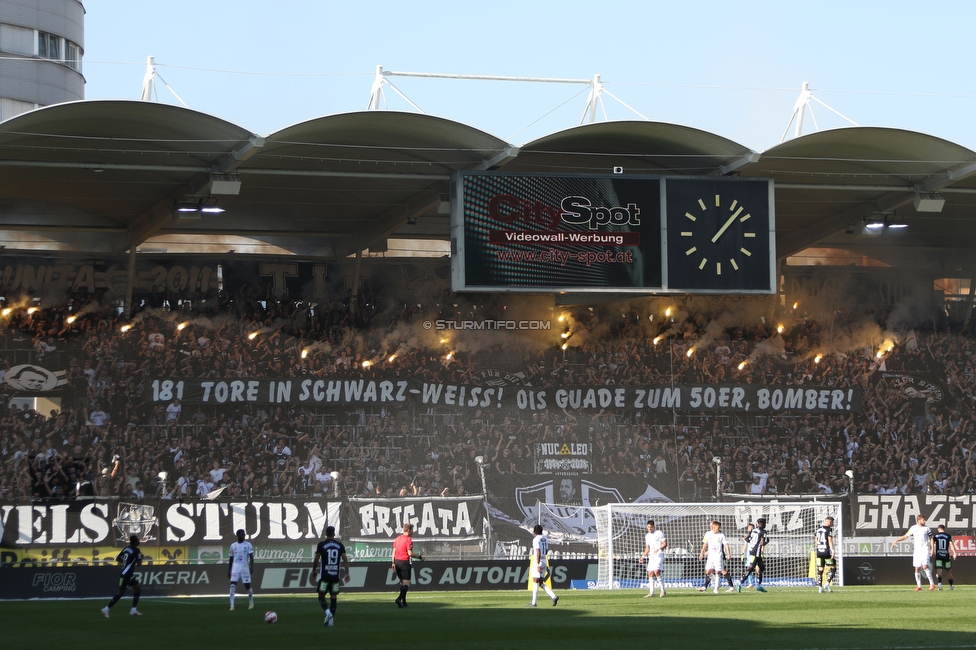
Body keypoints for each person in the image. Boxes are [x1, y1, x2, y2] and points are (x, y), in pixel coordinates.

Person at [313, 525, 350, 627]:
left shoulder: (321, 545)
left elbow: (316, 559)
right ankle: (331, 621)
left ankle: (328, 613)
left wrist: (314, 571)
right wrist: (347, 573)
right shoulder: (340, 545)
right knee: (333, 597)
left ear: (325, 534)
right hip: (335, 576)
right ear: (334, 534)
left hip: (324, 576)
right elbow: (345, 559)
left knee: (321, 596)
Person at [101, 535, 143, 618]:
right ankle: (106, 609)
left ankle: (133, 610)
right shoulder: (136, 550)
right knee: (120, 593)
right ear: (135, 542)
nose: (139, 541)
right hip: (126, 574)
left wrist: (125, 562)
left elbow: (118, 558)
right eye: (138, 540)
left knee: (138, 589)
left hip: (128, 573)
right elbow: (139, 564)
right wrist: (141, 558)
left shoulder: (126, 548)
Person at [891, 514, 935, 591]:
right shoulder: (913, 528)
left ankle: (932, 584)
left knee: (925, 566)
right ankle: (919, 586)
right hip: (917, 551)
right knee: (917, 568)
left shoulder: (927, 528)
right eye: (923, 520)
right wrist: (896, 540)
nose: (924, 521)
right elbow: (905, 536)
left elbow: (931, 538)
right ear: (919, 520)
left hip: (925, 549)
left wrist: (932, 549)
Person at [392, 523, 423, 608]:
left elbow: (394, 551)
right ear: (408, 530)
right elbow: (410, 553)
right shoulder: (408, 539)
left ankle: (404, 602)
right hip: (404, 562)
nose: (413, 532)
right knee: (407, 584)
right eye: (412, 530)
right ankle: (399, 599)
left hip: (397, 562)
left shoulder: (398, 538)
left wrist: (393, 563)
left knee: (402, 583)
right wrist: (419, 557)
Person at [699, 520, 734, 594]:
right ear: (713, 527)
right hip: (710, 556)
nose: (719, 529)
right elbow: (705, 545)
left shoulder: (721, 535)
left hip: (719, 556)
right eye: (718, 527)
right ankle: (717, 583)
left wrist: (729, 554)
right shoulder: (707, 534)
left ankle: (716, 589)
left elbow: (726, 545)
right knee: (708, 571)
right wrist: (702, 553)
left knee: (718, 571)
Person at [529, 524, 559, 607]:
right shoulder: (545, 539)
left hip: (538, 561)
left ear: (535, 531)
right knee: (540, 582)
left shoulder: (535, 540)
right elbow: (546, 551)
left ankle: (533, 603)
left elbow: (538, 552)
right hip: (544, 560)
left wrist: (538, 564)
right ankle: (554, 596)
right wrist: (543, 561)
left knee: (535, 581)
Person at [738, 518, 768, 593]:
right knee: (751, 568)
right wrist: (767, 541)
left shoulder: (754, 530)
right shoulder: (763, 531)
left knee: (761, 568)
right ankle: (739, 583)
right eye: (764, 523)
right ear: (763, 523)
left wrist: (751, 543)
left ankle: (759, 585)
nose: (765, 524)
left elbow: (746, 538)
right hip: (756, 553)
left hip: (753, 551)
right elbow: (762, 543)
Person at [227, 529, 254, 610]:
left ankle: (251, 602)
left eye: (244, 534)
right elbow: (231, 558)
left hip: (245, 568)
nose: (243, 536)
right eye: (242, 535)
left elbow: (251, 556)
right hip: (235, 569)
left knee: (247, 586)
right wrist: (229, 570)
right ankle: (232, 605)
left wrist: (251, 566)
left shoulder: (248, 545)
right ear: (237, 535)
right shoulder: (233, 546)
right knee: (232, 586)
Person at [639, 520, 667, 598]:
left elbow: (665, 544)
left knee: (656, 571)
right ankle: (651, 593)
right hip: (651, 556)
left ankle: (663, 590)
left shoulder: (659, 533)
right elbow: (647, 548)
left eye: (651, 527)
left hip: (659, 555)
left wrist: (658, 548)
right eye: (648, 527)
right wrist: (643, 556)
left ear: (654, 526)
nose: (650, 528)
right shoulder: (647, 536)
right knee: (650, 573)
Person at [932, 524, 958, 590]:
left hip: (939, 556)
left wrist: (932, 550)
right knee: (949, 571)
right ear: (944, 529)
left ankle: (940, 585)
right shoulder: (948, 536)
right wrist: (954, 553)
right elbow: (951, 545)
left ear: (938, 529)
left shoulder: (936, 536)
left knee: (939, 571)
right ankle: (951, 585)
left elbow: (931, 541)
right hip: (946, 556)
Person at [814, 516, 835, 593]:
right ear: (829, 522)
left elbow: (816, 540)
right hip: (826, 552)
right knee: (833, 567)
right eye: (832, 522)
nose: (832, 524)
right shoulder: (829, 530)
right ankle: (827, 583)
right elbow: (830, 541)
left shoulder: (818, 529)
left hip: (819, 552)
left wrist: (818, 545)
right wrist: (832, 551)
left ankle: (820, 587)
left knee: (820, 569)